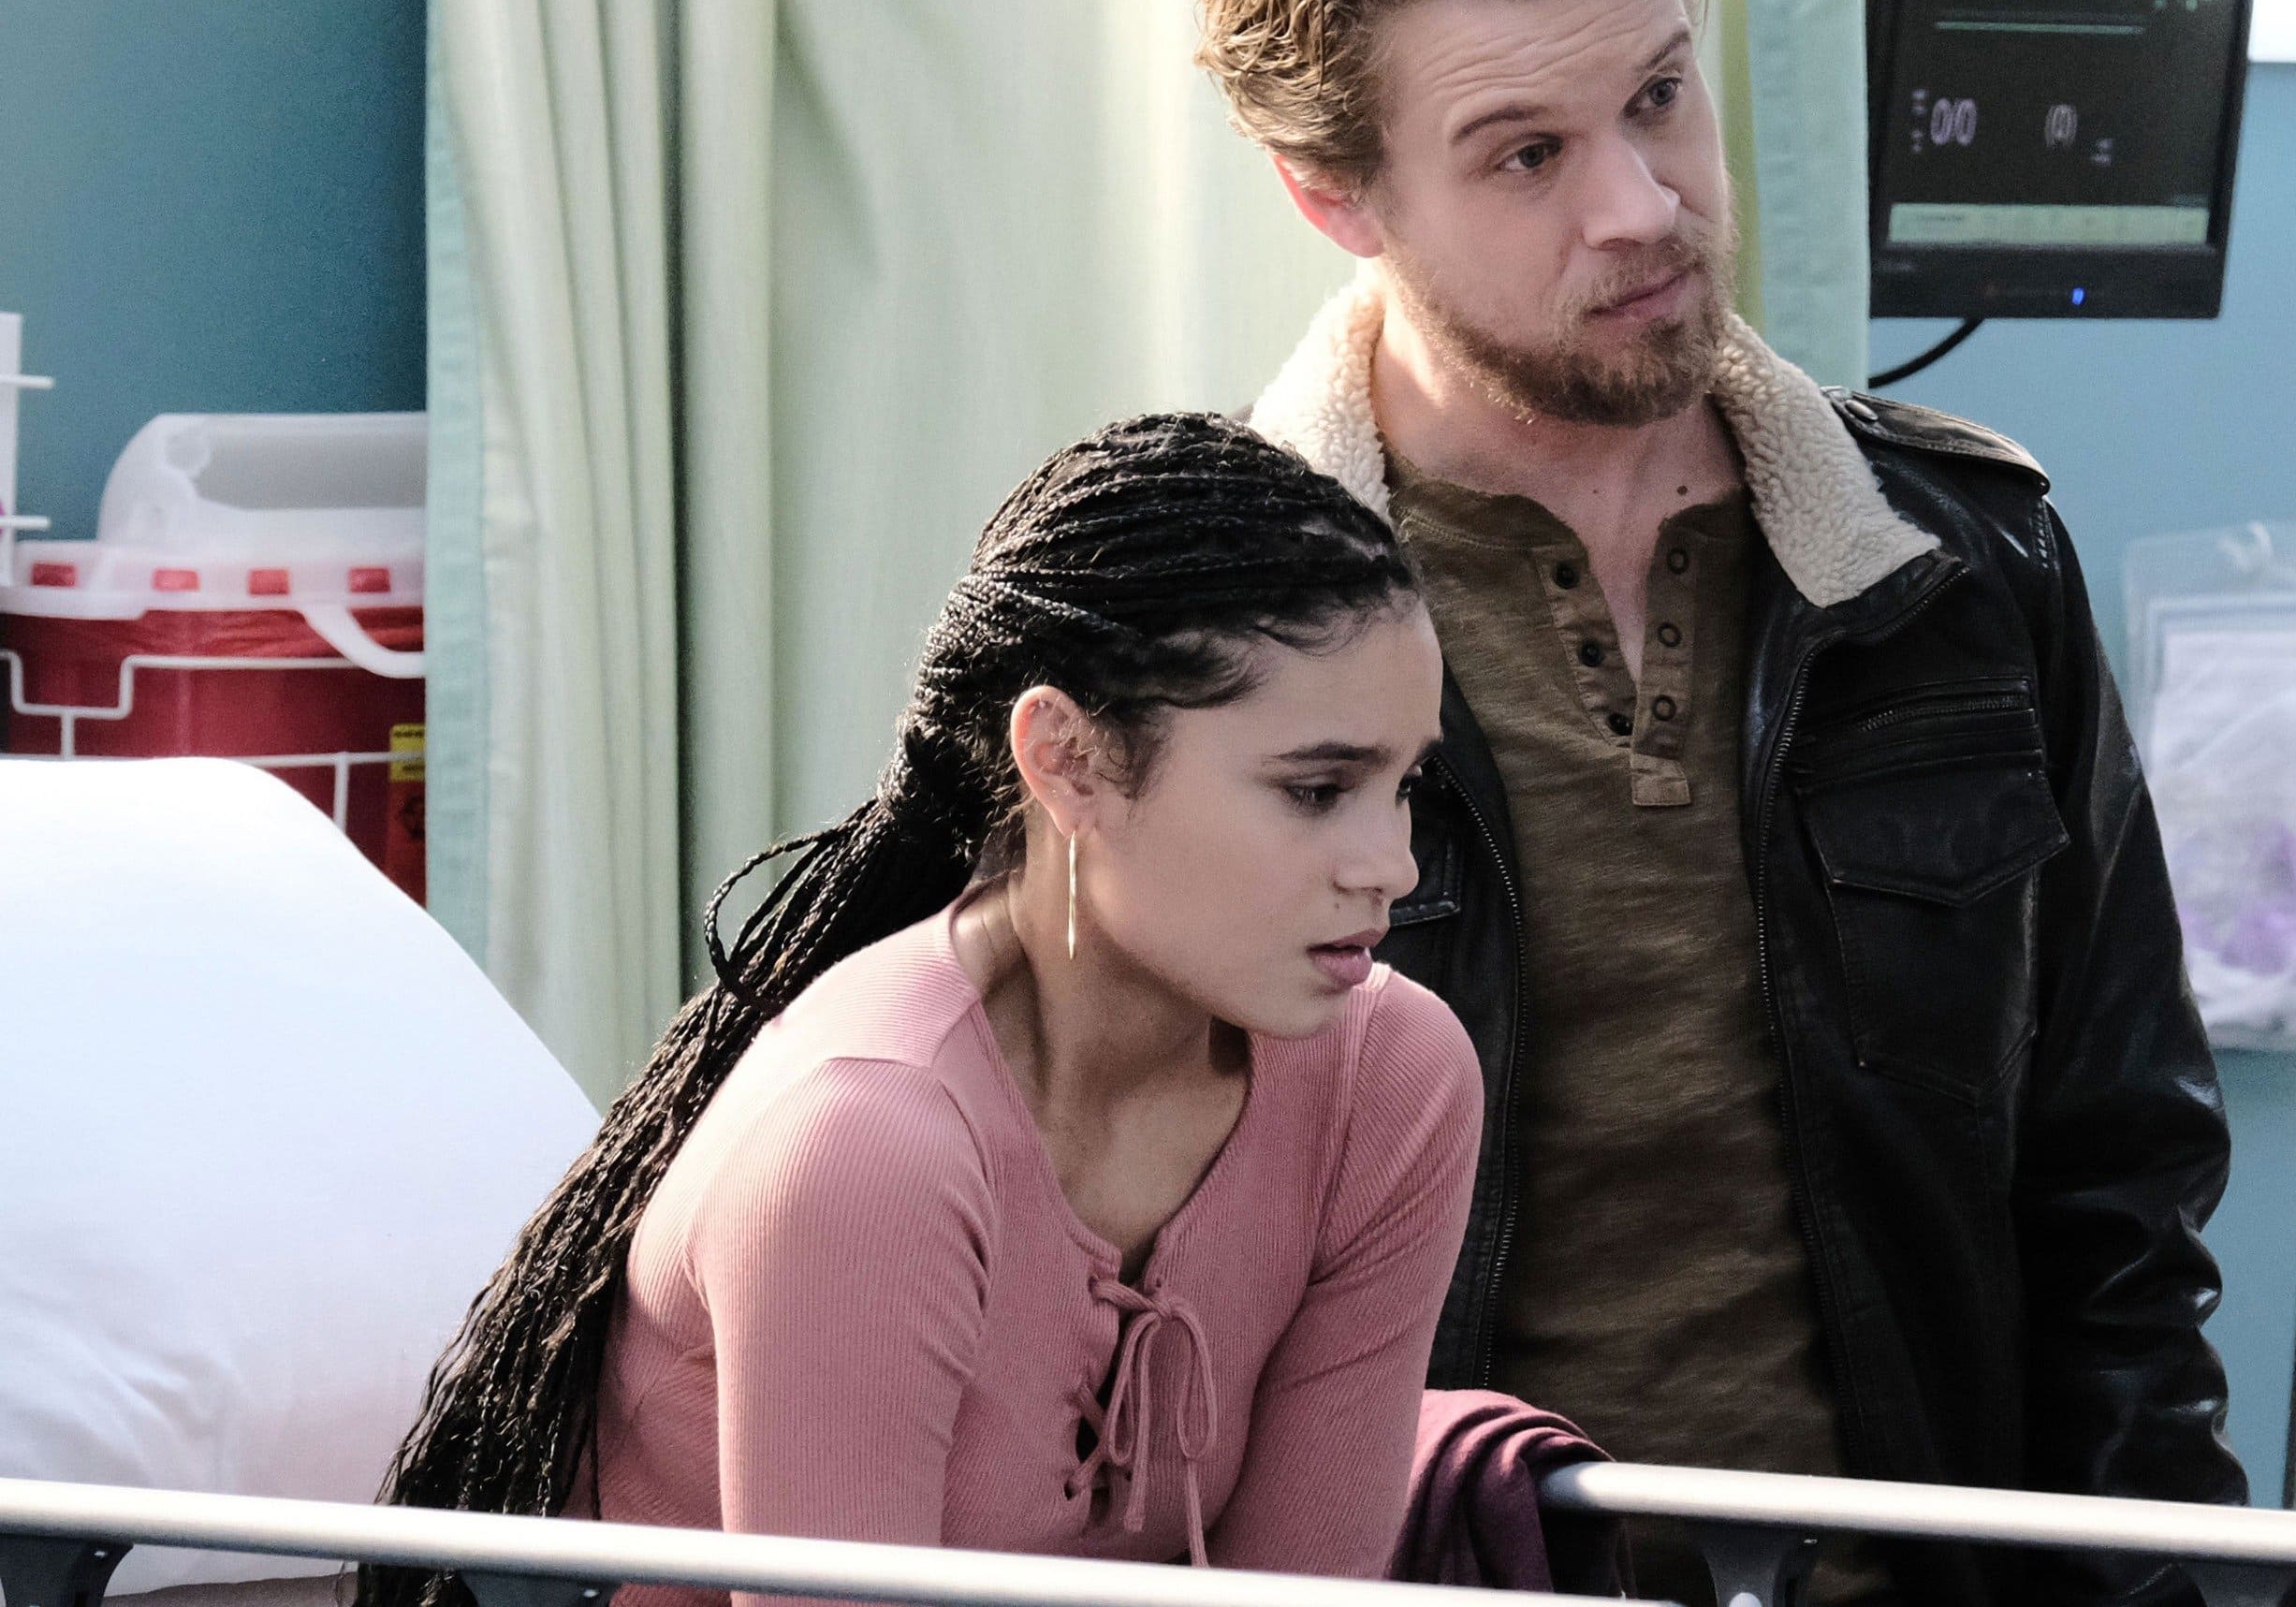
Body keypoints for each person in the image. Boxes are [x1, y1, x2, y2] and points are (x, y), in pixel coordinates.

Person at [1194, 0, 2248, 1607]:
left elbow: (2120, 1203)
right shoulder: (1190, 625)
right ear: (1334, 196)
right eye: (1528, 154)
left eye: (1661, 98)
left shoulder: (1964, 569)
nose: (1642, 205)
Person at [366, 415, 1483, 1605]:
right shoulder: (865, 1147)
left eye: (1404, 784)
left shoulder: (1392, 1081)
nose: (1394, 866)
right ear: (1069, 760)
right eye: (1316, 790)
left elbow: (1314, 1591)